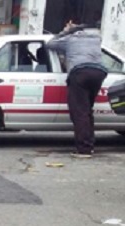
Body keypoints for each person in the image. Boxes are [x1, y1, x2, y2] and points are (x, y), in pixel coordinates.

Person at [47, 21, 107, 157]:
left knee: (80, 112)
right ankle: (89, 144)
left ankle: (84, 149)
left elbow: (50, 44)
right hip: (99, 73)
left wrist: (66, 31)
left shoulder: (69, 40)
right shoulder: (95, 39)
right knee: (86, 111)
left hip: (80, 73)